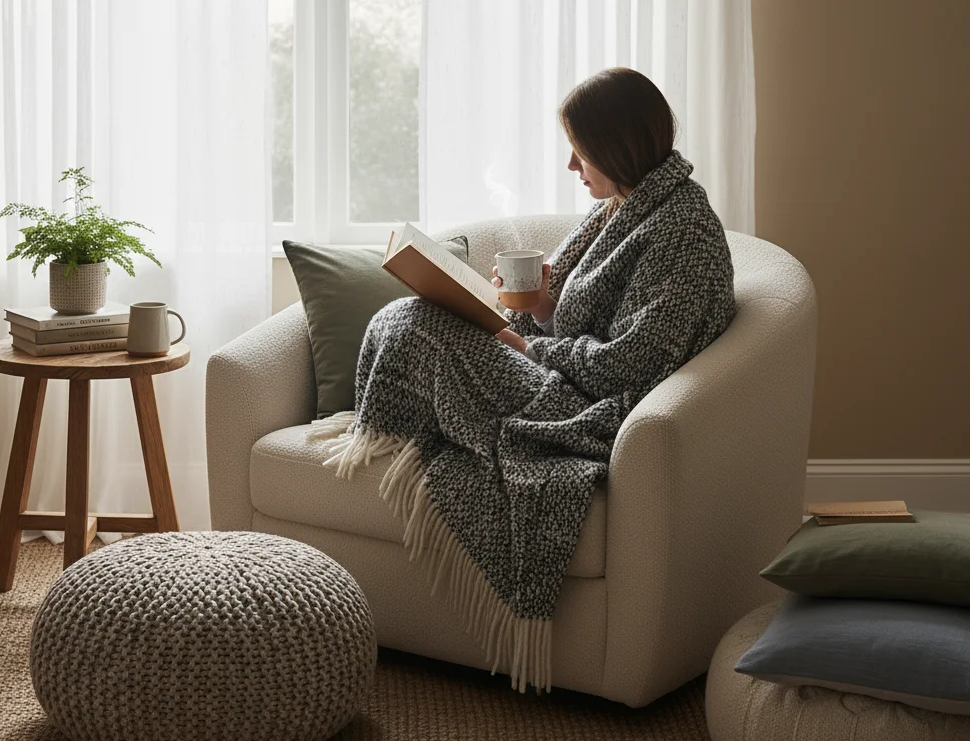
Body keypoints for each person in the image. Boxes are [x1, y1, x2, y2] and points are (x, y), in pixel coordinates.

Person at [311, 67, 737, 693]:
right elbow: (577, 319)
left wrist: (527, 346)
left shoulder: (684, 232)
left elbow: (630, 366)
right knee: (406, 315)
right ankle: (399, 424)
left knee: (413, 326)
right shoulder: (624, 207)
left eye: (581, 150)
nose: (572, 165)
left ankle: (395, 429)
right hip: (559, 371)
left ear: (617, 145)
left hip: (585, 408)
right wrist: (537, 309)